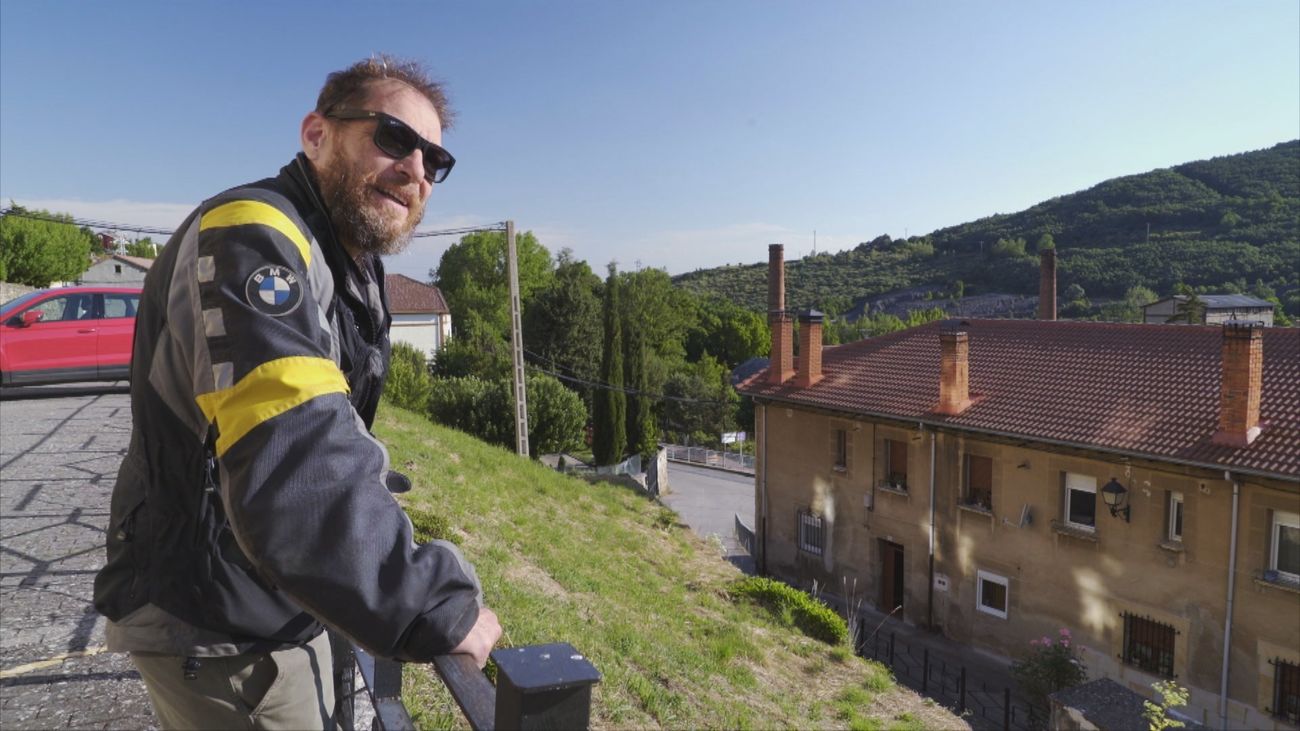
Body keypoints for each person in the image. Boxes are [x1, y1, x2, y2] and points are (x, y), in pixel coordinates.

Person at [93, 56, 501, 730]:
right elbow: (297, 462)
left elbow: (339, 429)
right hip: (215, 624)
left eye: (436, 159)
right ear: (316, 134)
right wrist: (433, 602)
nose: (417, 169)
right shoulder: (254, 236)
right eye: (395, 138)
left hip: (274, 595)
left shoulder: (347, 262)